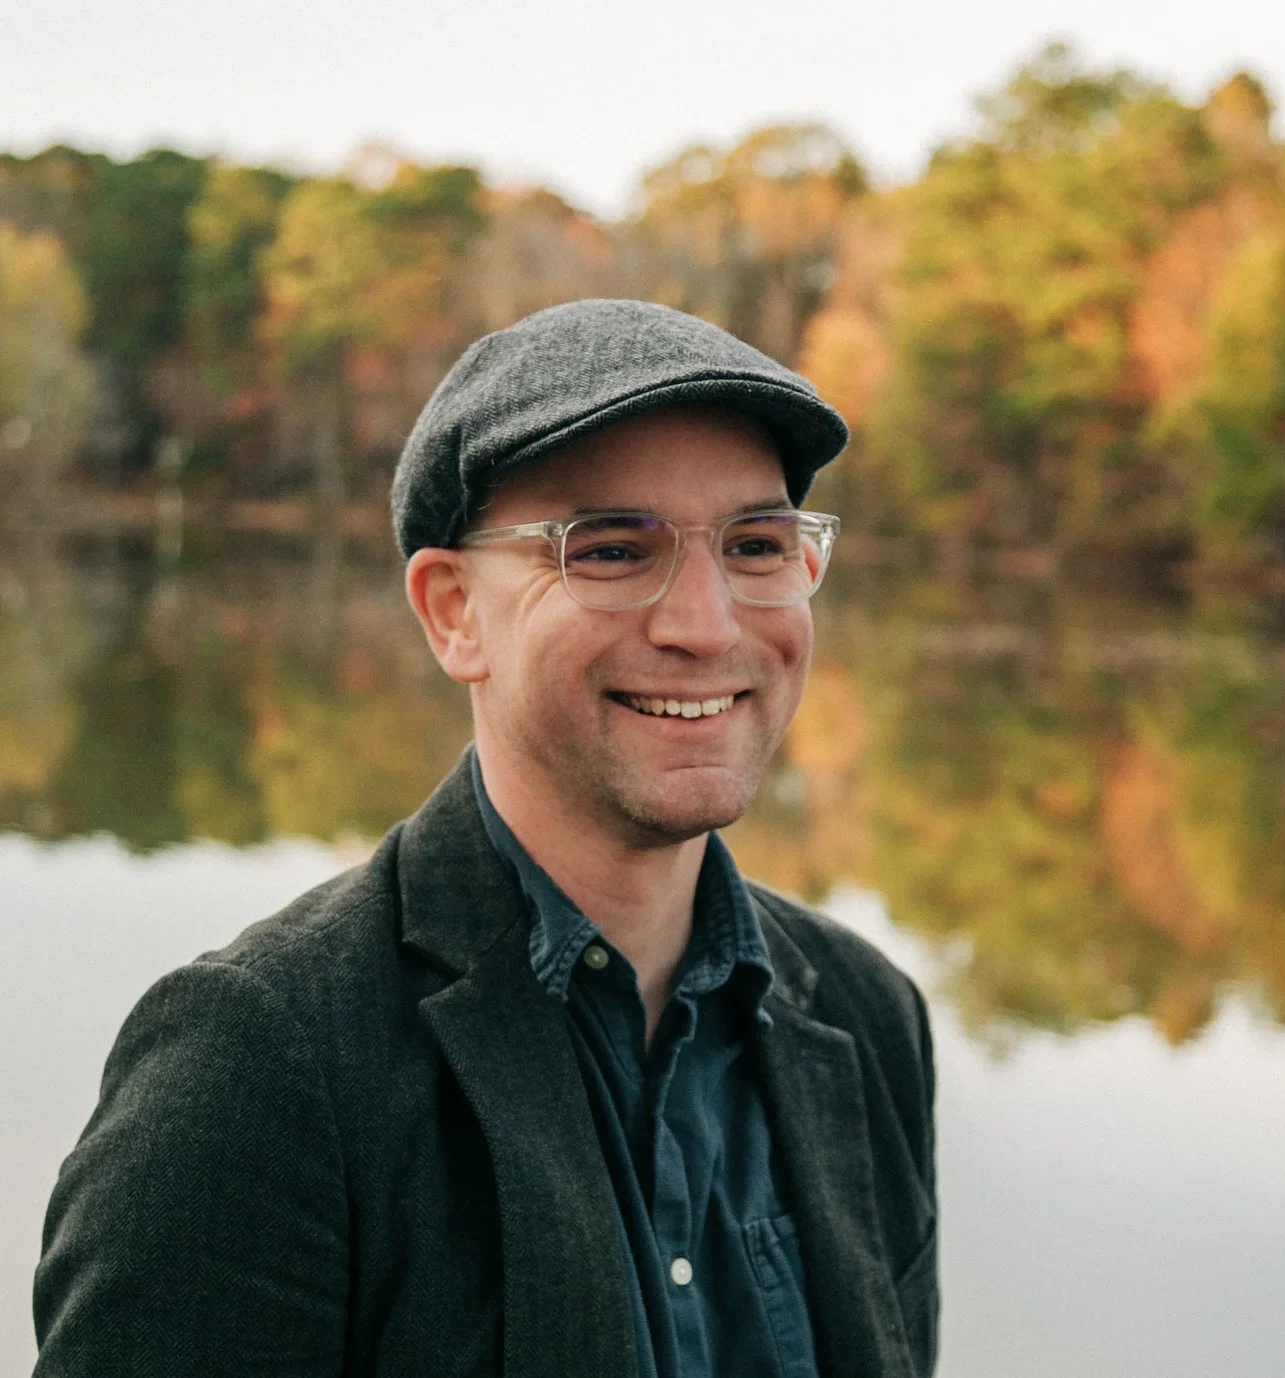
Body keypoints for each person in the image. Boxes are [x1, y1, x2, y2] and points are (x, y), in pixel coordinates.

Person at [33, 299, 938, 1378]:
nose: (704, 624)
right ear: (452, 612)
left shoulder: (866, 1016)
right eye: (611, 550)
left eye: (756, 546)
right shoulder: (256, 1069)